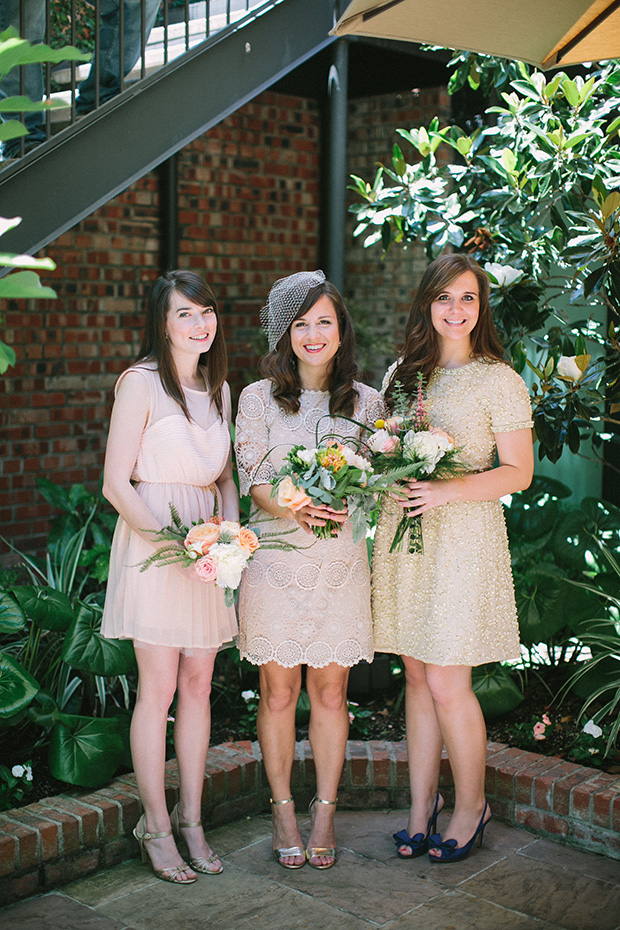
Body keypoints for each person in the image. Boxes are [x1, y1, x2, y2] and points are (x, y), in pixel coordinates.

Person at [372, 254, 533, 863]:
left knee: (445, 677)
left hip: (463, 535)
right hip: (406, 536)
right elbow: (386, 450)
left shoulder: (499, 378)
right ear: (427, 305)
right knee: (414, 672)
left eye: (467, 298)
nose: (456, 310)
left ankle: (471, 805)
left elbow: (520, 472)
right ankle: (421, 808)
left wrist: (446, 488)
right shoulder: (402, 374)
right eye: (444, 298)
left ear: (481, 307)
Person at [235, 270, 384, 870]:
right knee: (278, 692)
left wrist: (353, 495)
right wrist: (297, 506)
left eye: (324, 322)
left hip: (341, 563)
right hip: (276, 560)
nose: (314, 334)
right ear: (285, 333)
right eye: (302, 324)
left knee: (330, 692)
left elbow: (378, 480)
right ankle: (282, 810)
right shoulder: (256, 398)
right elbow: (254, 479)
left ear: (341, 330)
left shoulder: (369, 403)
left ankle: (324, 811)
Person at [101, 270, 238, 884]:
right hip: (157, 545)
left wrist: (229, 538)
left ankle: (191, 819)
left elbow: (226, 479)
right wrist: (171, 542)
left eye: (206, 311)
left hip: (206, 550)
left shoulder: (221, 387)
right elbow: (114, 483)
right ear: (162, 322)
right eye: (185, 314)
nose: (199, 323)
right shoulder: (141, 384)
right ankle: (154, 824)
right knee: (157, 688)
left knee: (199, 681)